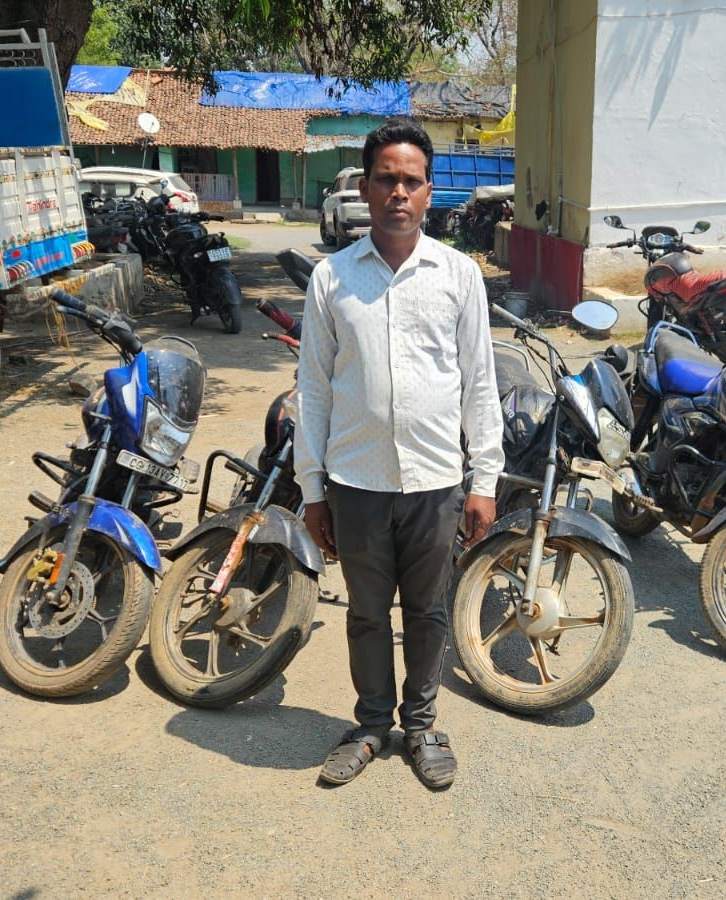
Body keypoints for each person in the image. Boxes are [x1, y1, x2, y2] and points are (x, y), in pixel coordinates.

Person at [295, 118, 503, 790]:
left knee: (428, 611)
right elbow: (313, 390)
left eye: (411, 181)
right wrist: (312, 489)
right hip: (356, 481)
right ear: (364, 186)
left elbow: (479, 383)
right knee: (364, 613)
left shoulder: (458, 274)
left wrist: (484, 480)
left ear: (429, 192)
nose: (398, 192)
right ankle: (369, 726)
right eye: (386, 178)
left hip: (435, 480)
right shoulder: (331, 278)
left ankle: (420, 726)